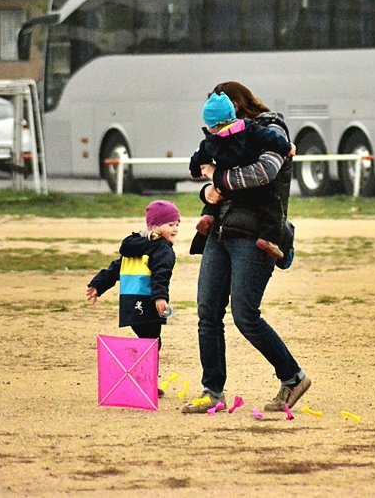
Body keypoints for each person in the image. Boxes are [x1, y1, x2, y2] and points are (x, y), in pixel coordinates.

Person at [182, 81, 310, 414]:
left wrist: (217, 178)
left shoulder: (269, 129)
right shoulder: (219, 137)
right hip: (220, 232)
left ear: (236, 104)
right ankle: (212, 391)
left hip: (255, 234)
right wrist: (207, 191)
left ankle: (293, 377)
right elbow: (206, 172)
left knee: (245, 315)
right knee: (207, 313)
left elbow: (264, 173)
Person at [86, 200, 180, 397]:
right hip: (147, 302)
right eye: (171, 224)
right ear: (155, 227)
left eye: (177, 224)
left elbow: (115, 268)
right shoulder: (161, 248)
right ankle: (143, 381)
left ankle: (145, 380)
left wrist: (98, 284)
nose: (176, 229)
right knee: (151, 344)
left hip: (129, 304)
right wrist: (160, 297)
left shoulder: (133, 246)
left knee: (149, 342)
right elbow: (161, 273)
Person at [189, 91, 294, 260]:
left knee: (216, 195)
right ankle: (268, 239)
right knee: (272, 204)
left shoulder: (209, 141)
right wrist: (287, 147)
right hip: (252, 188)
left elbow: (196, 160)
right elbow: (269, 138)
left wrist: (195, 171)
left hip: (226, 188)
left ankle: (208, 216)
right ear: (232, 112)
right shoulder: (248, 127)